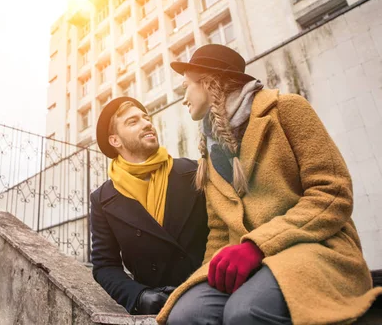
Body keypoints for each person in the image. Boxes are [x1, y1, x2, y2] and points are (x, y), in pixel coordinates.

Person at [157, 44, 382, 325]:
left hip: (317, 249)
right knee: (186, 316)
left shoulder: (287, 109)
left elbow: (332, 193)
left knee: (246, 312)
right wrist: (210, 274)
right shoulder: (209, 150)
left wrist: (257, 246)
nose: (183, 99)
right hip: (249, 264)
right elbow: (219, 230)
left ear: (207, 81)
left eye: (185, 87)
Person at [89, 97, 209, 315]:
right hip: (159, 307)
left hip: (209, 293)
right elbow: (105, 265)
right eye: (133, 121)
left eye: (146, 118)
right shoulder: (102, 199)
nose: (147, 123)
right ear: (115, 141)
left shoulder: (194, 171)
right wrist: (139, 296)